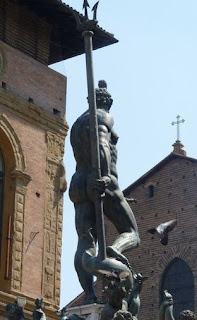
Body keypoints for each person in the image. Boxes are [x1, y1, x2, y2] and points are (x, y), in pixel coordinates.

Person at [69, 80, 140, 303]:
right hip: (100, 178)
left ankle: (89, 297)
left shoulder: (77, 123)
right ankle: (113, 249)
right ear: (107, 104)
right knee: (132, 233)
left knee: (85, 242)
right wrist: (106, 176)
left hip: (79, 182)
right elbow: (101, 144)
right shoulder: (102, 116)